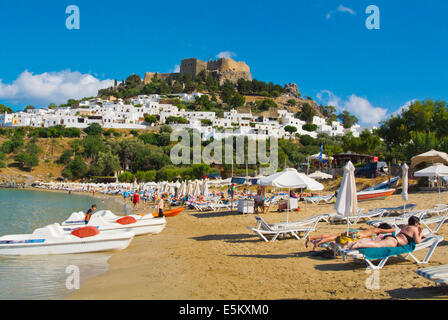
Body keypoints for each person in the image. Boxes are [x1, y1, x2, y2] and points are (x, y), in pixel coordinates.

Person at [347, 216, 424, 250]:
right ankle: (358, 244)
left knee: (373, 242)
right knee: (376, 245)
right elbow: (417, 241)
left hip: (391, 237)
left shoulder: (405, 226)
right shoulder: (414, 229)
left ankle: (354, 242)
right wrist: (421, 233)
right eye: (418, 224)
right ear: (416, 223)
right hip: (395, 241)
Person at [305, 223, 396, 251]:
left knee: (334, 235)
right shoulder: (378, 230)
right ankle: (318, 242)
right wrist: (392, 227)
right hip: (356, 235)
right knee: (335, 238)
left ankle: (312, 238)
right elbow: (392, 230)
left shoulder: (373, 228)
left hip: (354, 231)